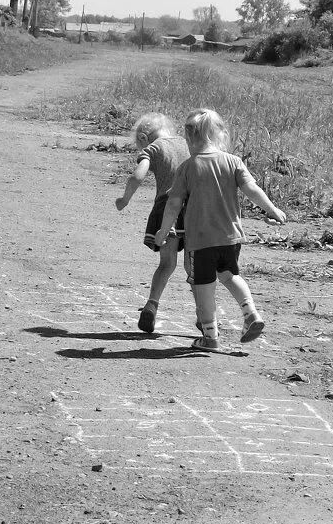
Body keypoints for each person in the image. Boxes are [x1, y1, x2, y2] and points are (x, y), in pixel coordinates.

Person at [155, 108, 286, 351]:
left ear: (189, 138)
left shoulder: (187, 167)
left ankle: (210, 337)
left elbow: (173, 204)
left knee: (204, 287)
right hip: (230, 238)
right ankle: (250, 312)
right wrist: (272, 209)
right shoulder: (233, 161)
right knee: (229, 275)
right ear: (218, 134)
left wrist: (164, 231)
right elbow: (252, 190)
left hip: (200, 241)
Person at [115, 113, 190, 333]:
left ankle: (151, 305)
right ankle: (204, 315)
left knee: (167, 264)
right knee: (192, 266)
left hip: (167, 208)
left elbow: (138, 176)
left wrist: (124, 199)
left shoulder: (154, 149)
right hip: (194, 208)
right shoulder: (190, 143)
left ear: (143, 137)